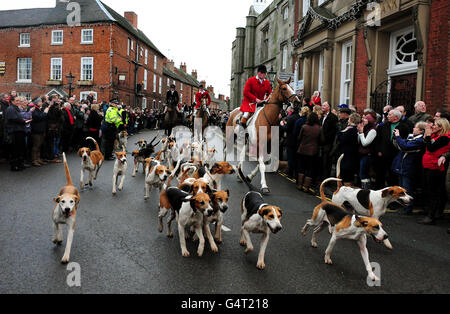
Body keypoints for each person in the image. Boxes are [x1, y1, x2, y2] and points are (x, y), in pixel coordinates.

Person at [418, 118, 450, 225]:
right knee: (429, 190)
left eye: (435, 125)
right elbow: (425, 144)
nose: (433, 126)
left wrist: (427, 135)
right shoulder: (436, 136)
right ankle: (432, 213)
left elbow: (431, 148)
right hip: (428, 165)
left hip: (435, 167)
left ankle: (431, 216)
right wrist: (428, 135)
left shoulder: (445, 138)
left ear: (441, 127)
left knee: (433, 192)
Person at [391, 122, 427, 215]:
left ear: (421, 131)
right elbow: (400, 145)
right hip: (403, 167)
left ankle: (408, 208)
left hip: (409, 168)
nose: (413, 129)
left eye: (415, 128)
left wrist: (398, 136)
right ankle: (404, 207)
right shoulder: (411, 137)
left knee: (407, 189)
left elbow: (405, 146)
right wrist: (396, 137)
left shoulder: (420, 141)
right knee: (402, 188)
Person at [374, 109, 410, 189]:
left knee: (393, 176)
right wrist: (378, 151)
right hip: (382, 155)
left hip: (396, 155)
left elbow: (405, 140)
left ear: (396, 117)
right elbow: (377, 140)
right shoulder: (383, 126)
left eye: (390, 115)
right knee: (380, 175)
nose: (387, 116)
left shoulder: (404, 127)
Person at [296, 112, 324, 193]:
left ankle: (299, 185)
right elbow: (322, 140)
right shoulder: (319, 128)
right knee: (310, 169)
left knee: (301, 167)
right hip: (313, 152)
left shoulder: (304, 127)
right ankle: (306, 187)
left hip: (302, 150)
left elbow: (299, 138)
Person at [337, 113, 361, 186]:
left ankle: (347, 191)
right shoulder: (353, 129)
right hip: (350, 156)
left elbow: (342, 139)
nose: (348, 121)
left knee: (347, 176)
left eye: (349, 119)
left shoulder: (351, 130)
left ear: (352, 120)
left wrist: (339, 133)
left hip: (349, 157)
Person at [357, 110, 378, 189]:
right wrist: (359, 132)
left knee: (364, 174)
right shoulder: (366, 128)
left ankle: (366, 191)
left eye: (365, 119)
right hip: (362, 155)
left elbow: (365, 143)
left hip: (368, 156)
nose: (363, 120)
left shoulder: (372, 130)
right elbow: (359, 141)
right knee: (362, 174)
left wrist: (361, 133)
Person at [5, 96, 27, 171]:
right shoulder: (10, 108)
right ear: (12, 101)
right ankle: (14, 166)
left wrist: (22, 120)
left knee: (20, 149)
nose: (18, 102)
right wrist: (23, 121)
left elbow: (19, 117)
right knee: (15, 150)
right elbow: (14, 118)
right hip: (14, 132)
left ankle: (20, 164)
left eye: (19, 101)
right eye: (17, 100)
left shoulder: (16, 108)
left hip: (19, 131)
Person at [320, 102, 338, 180]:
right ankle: (321, 177)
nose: (322, 107)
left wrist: (325, 138)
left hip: (328, 143)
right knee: (321, 161)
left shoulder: (333, 117)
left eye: (324, 105)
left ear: (328, 107)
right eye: (322, 105)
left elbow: (333, 131)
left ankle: (326, 179)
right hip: (321, 143)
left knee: (327, 162)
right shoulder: (322, 117)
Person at [30, 97, 49, 167]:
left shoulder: (38, 109)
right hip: (36, 130)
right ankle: (34, 160)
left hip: (40, 130)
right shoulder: (34, 109)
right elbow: (38, 117)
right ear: (37, 102)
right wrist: (45, 112)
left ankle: (38, 158)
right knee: (36, 145)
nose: (41, 103)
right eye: (40, 102)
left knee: (39, 145)